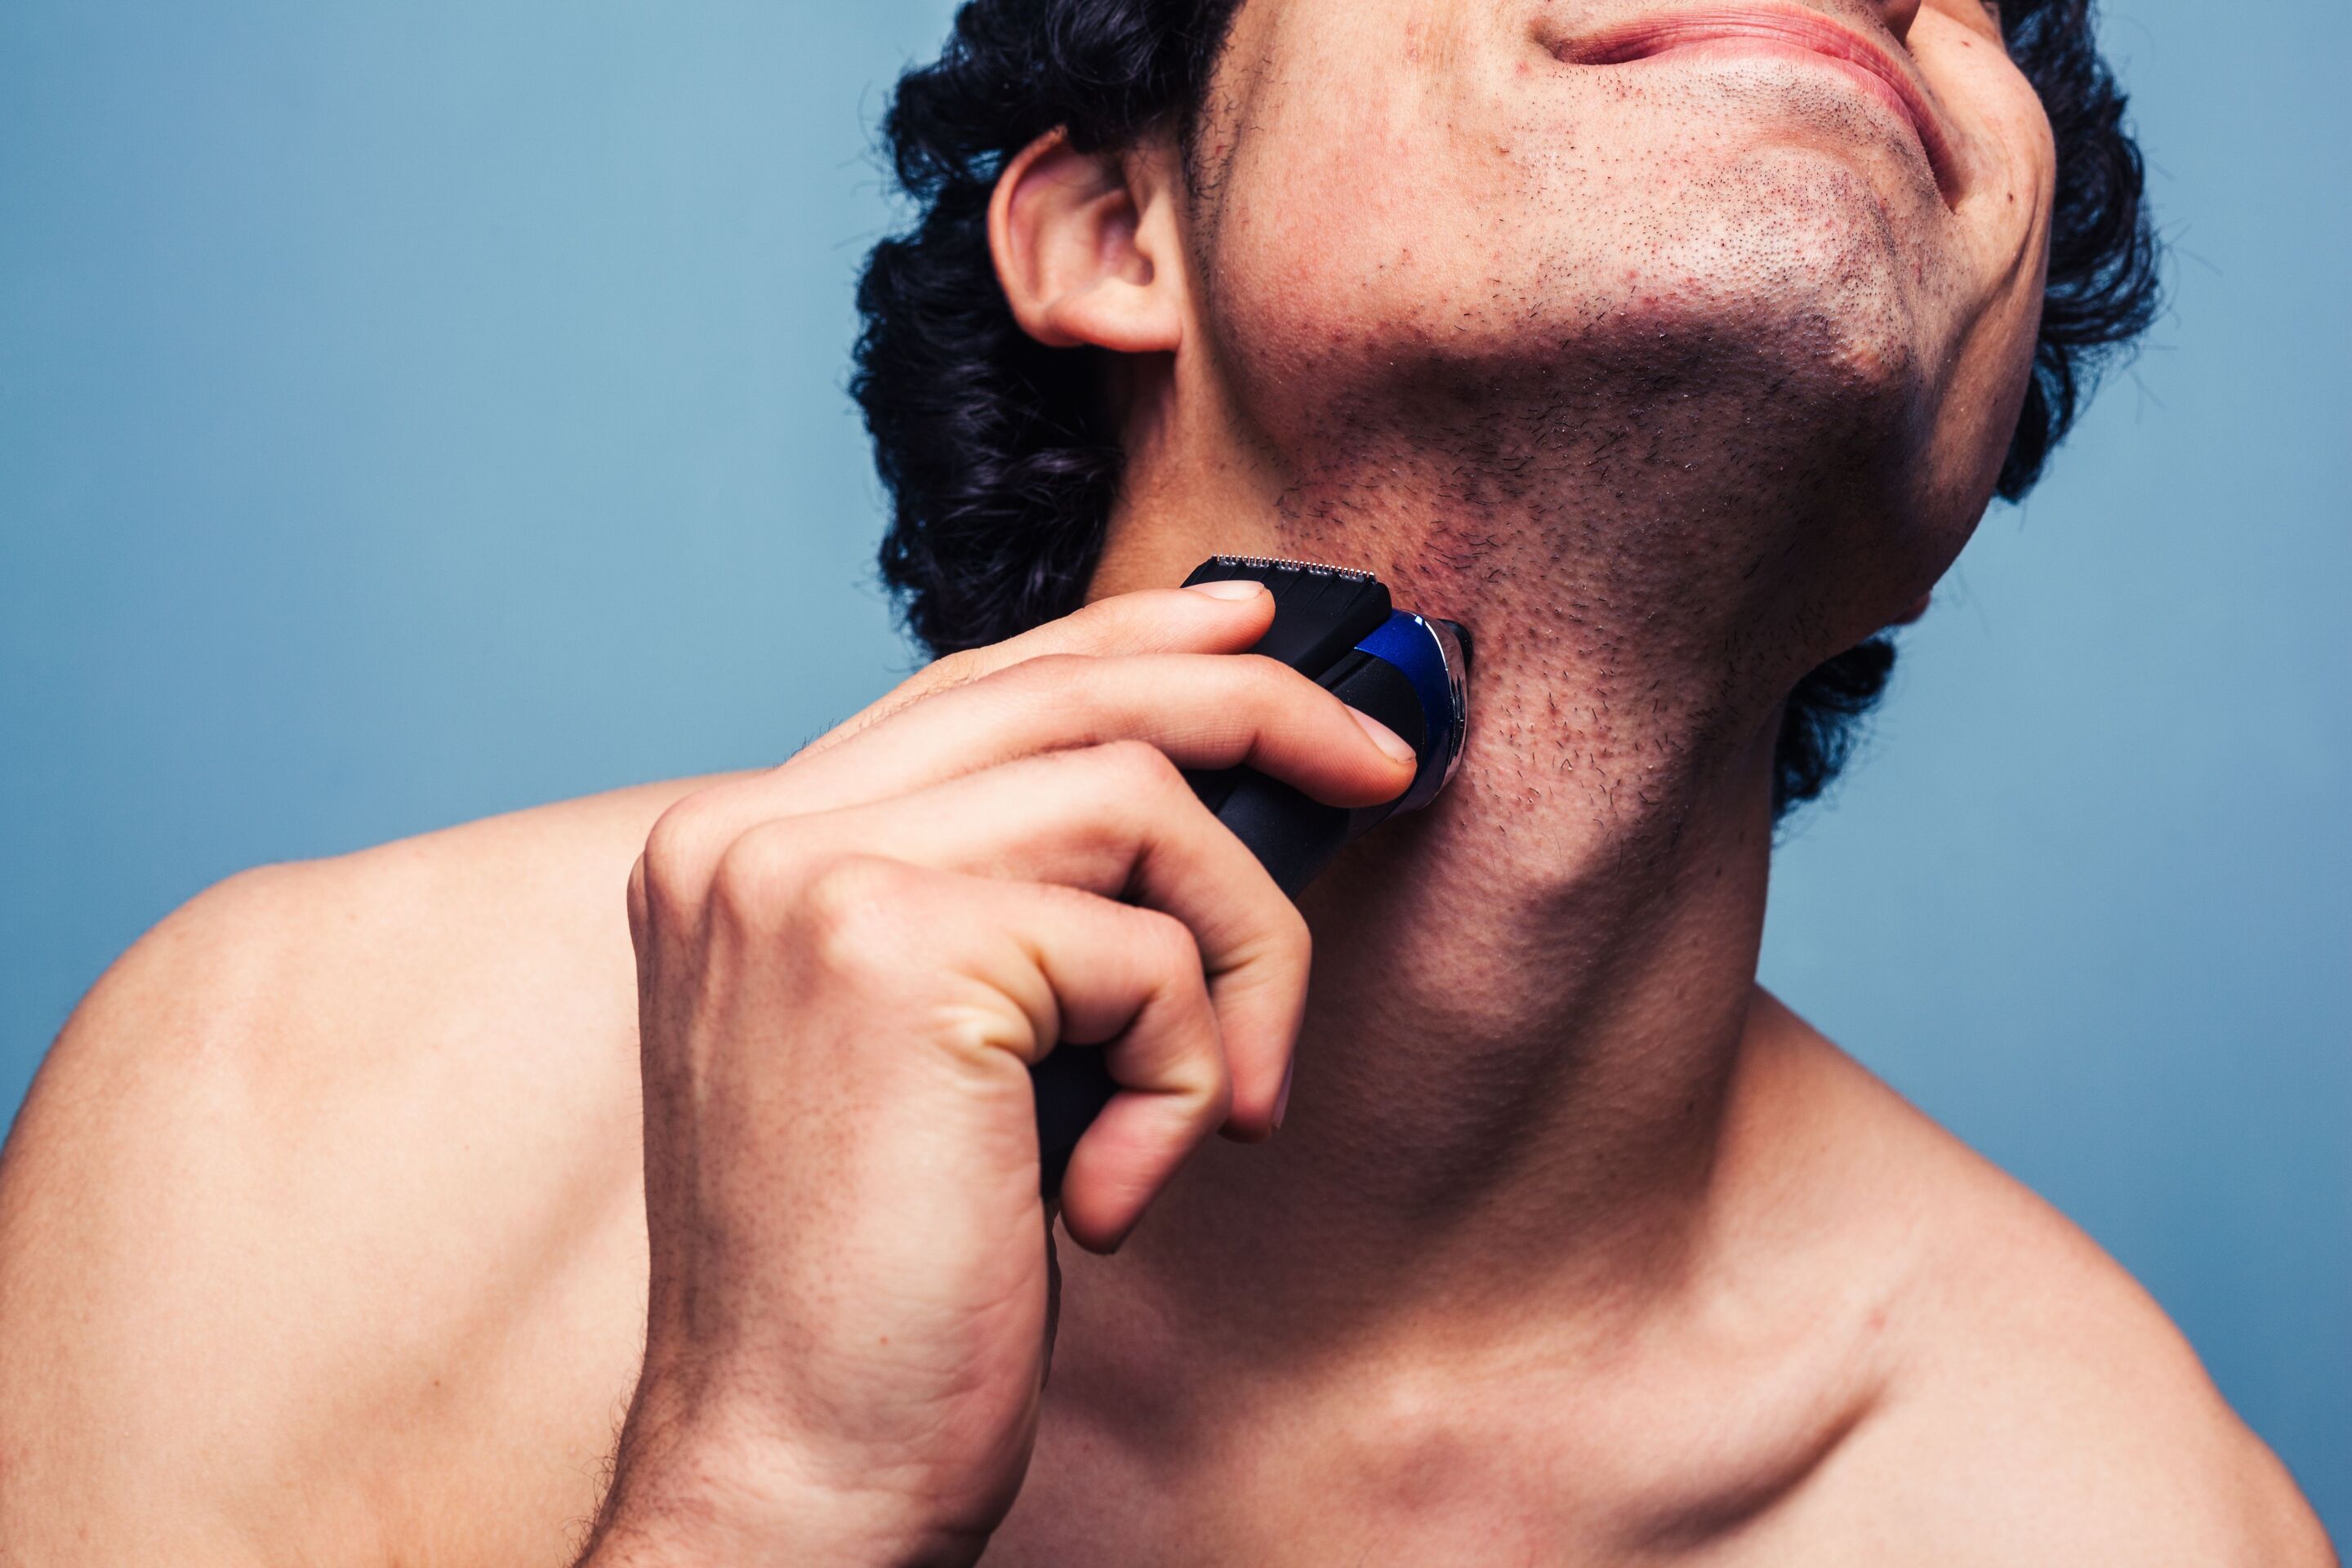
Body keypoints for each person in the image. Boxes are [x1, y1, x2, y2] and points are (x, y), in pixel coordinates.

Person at [0, 0, 2332, 1561]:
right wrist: (763, 1497)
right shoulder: (284, 1116)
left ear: (1958, 445)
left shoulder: (2108, 1514)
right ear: (1122, 228)